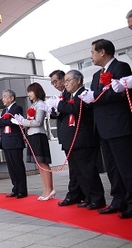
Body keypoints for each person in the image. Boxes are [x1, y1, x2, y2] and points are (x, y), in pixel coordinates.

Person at [79, 39, 132, 219]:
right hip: (102, 127)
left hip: (118, 126)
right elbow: (96, 97)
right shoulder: (95, 76)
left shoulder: (121, 68)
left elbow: (119, 93)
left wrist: (95, 97)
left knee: (126, 166)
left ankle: (131, 202)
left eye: (93, 52)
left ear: (103, 52)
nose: (91, 56)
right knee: (111, 167)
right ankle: (118, 200)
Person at [46, 70, 106, 210]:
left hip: (83, 139)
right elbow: (64, 112)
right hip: (71, 139)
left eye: (68, 80)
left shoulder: (84, 94)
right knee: (78, 173)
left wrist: (59, 104)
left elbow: (75, 108)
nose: (65, 83)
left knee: (88, 171)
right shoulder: (68, 96)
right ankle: (88, 197)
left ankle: (97, 198)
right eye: (65, 81)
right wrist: (54, 108)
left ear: (78, 80)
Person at [49, 70, 84, 206]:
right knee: (74, 169)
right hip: (67, 135)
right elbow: (61, 113)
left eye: (56, 81)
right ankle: (75, 194)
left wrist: (58, 105)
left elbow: (72, 109)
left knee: (80, 170)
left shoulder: (73, 94)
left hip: (77, 136)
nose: (55, 85)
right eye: (52, 83)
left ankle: (76, 194)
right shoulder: (64, 95)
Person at [12, 83, 54, 201]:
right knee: (39, 164)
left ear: (36, 91)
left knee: (43, 163)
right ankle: (46, 189)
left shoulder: (40, 104)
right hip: (32, 135)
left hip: (38, 136)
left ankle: (50, 189)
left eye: (31, 91)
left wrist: (23, 121)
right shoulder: (34, 105)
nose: (29, 94)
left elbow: (38, 122)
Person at [0, 90, 27, 199]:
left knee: (18, 166)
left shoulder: (17, 108)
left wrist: (0, 120)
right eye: (3, 97)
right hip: (6, 141)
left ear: (12, 98)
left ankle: (22, 190)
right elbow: (1, 125)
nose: (3, 99)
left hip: (15, 141)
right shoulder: (4, 110)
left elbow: (11, 121)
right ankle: (15, 188)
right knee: (11, 167)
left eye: (5, 97)